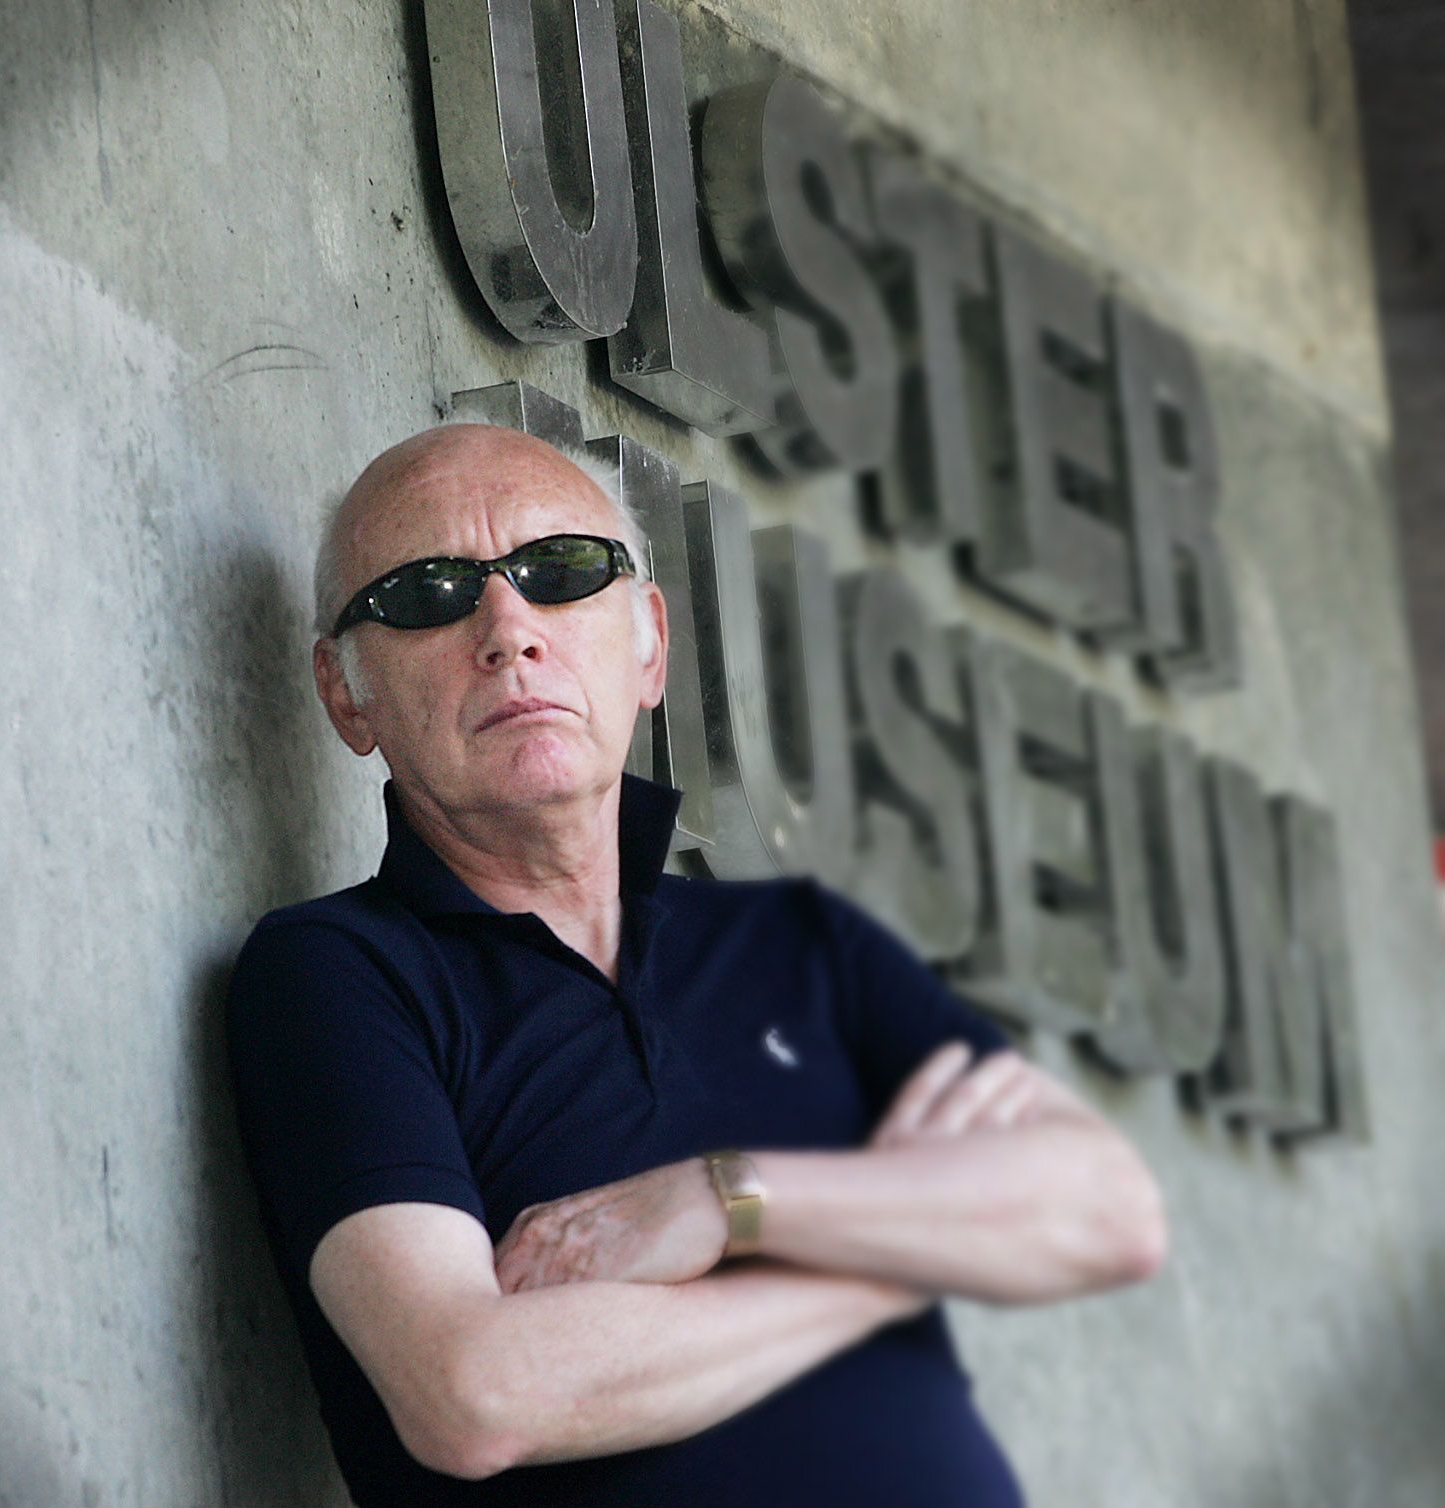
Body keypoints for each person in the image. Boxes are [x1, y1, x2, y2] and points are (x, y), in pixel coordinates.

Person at [227, 422, 1168, 1506]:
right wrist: (902, 1247)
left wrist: (730, 1199)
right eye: (427, 593)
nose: (507, 628)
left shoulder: (801, 945)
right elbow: (476, 1392)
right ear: (347, 695)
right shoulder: (337, 976)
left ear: (649, 646)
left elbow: (1108, 1207)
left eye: (560, 570)